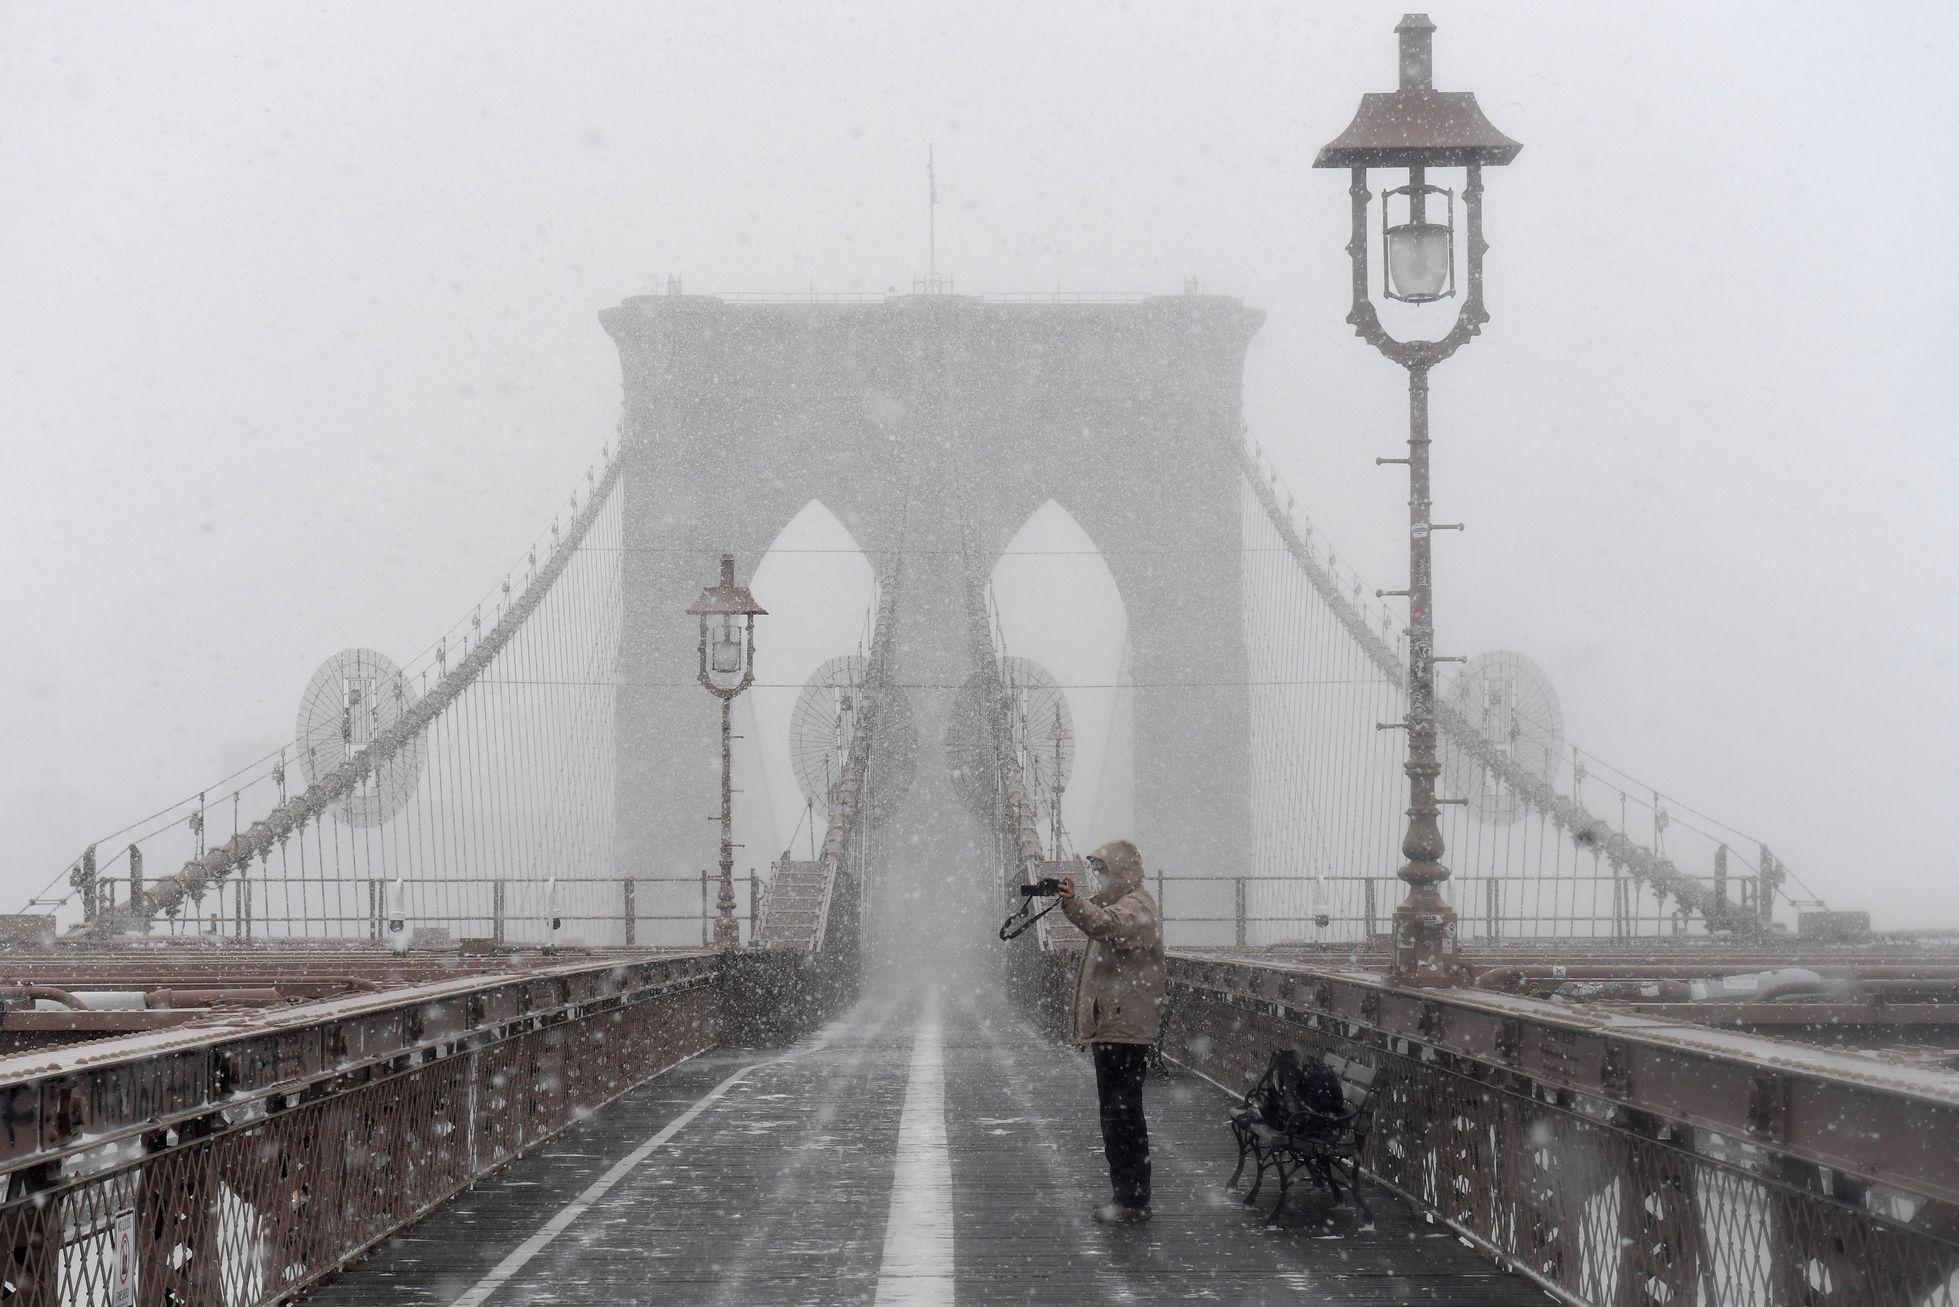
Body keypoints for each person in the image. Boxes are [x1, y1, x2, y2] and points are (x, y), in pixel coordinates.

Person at [1058, 839, 1165, 1224]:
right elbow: (1104, 922)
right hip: (1117, 1026)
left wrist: (1073, 903)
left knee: (1122, 1117)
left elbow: (1108, 927)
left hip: (1124, 1029)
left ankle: (1132, 1200)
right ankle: (1127, 1197)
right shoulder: (1123, 903)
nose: (1099, 878)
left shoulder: (1136, 906)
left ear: (1120, 872)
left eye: (1103, 871)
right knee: (1119, 1115)